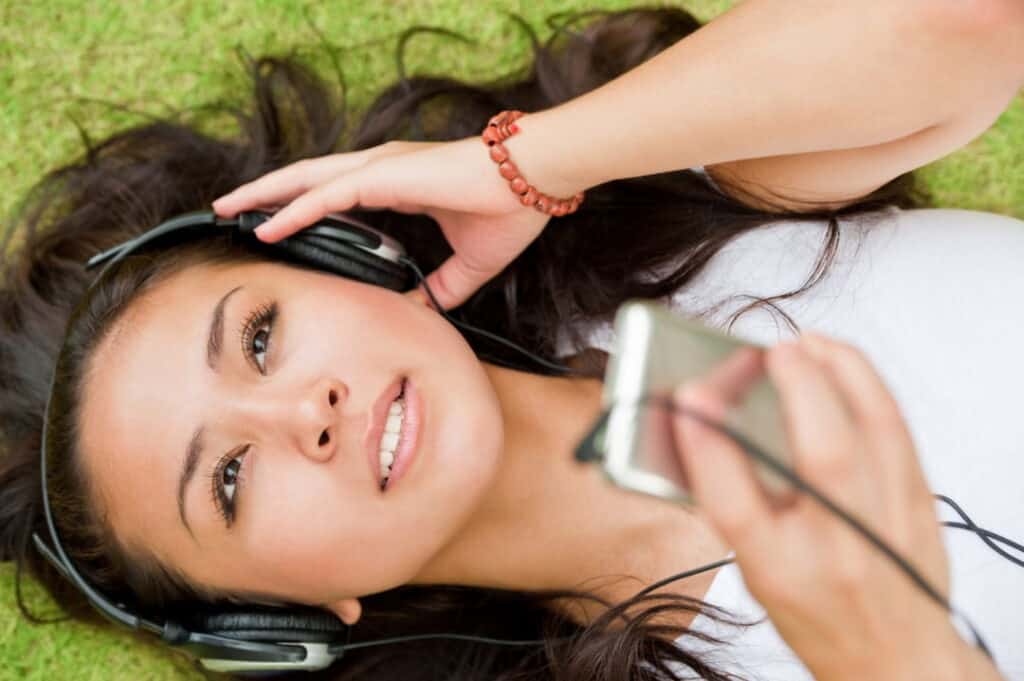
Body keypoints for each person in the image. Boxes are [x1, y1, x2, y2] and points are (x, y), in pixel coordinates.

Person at [1, 3, 1021, 680]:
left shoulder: (666, 239)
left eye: (261, 338)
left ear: (353, 259)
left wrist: (535, 163)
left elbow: (974, 24)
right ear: (278, 620)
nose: (302, 415)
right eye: (226, 479)